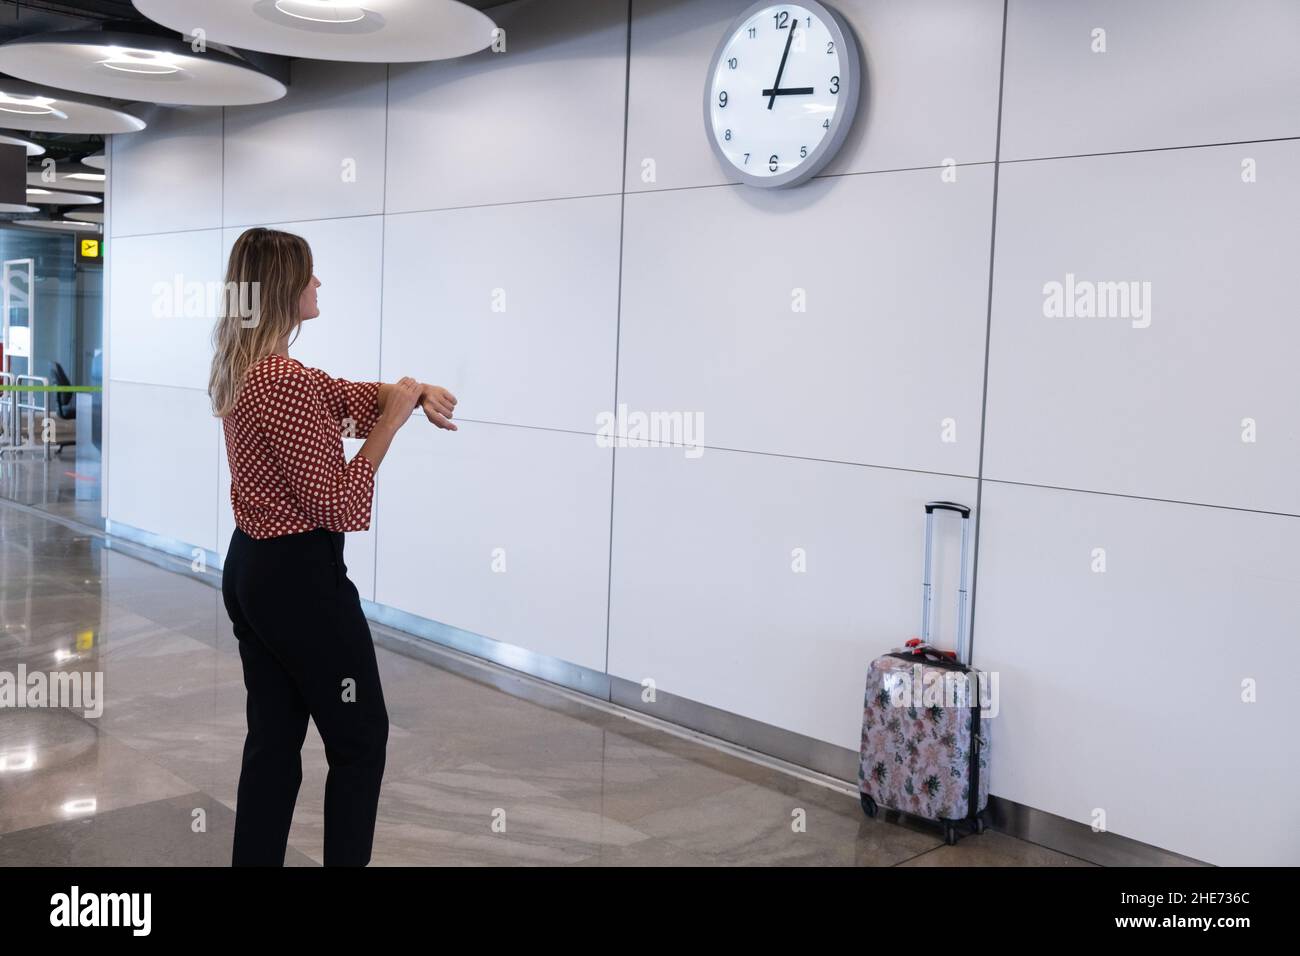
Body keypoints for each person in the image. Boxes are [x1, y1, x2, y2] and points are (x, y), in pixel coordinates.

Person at [207, 227, 457, 866]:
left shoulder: (253, 372)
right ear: (285, 288)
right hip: (300, 581)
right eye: (311, 275)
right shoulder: (282, 381)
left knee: (274, 741)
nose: (320, 284)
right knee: (360, 739)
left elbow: (345, 397)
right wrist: (392, 426)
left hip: (255, 571)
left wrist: (408, 390)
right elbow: (340, 503)